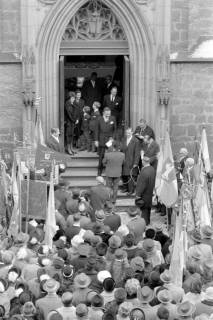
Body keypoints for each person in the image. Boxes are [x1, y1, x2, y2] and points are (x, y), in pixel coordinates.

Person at [95, 107, 117, 176]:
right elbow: (96, 130)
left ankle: (109, 171)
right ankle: (99, 171)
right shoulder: (99, 119)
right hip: (101, 140)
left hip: (109, 140)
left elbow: (115, 130)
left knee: (110, 156)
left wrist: (113, 138)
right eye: (107, 114)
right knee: (101, 156)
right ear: (103, 113)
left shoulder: (113, 118)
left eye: (109, 113)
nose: (108, 115)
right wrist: (96, 140)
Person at [135, 156, 156, 225]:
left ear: (143, 161)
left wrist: (138, 195)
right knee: (148, 209)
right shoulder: (152, 169)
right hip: (150, 192)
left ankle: (144, 224)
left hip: (144, 194)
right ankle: (148, 221)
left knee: (144, 210)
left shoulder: (144, 171)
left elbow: (141, 185)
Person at [120, 128, 141, 195]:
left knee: (130, 176)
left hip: (131, 161)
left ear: (132, 133)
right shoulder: (124, 139)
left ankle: (131, 190)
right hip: (124, 160)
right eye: (127, 133)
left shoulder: (136, 141)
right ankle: (125, 188)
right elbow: (121, 149)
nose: (127, 134)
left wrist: (136, 163)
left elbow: (137, 153)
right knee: (124, 175)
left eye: (129, 133)